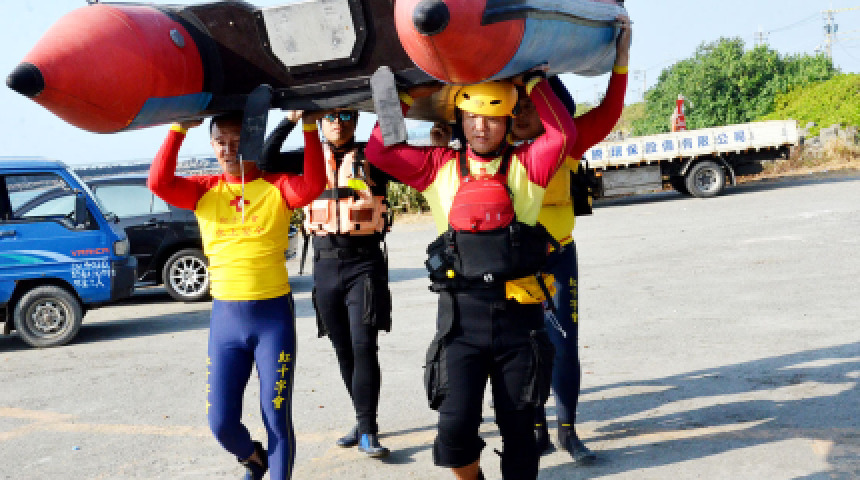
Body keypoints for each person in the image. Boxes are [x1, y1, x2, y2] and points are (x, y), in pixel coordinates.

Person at [364, 74, 576, 479]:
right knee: (453, 435)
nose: (481, 126)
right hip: (460, 326)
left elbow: (563, 133)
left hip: (519, 325)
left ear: (508, 119)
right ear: (459, 118)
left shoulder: (528, 164)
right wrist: (403, 96)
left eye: (492, 117)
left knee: (520, 434)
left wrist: (534, 82)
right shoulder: (438, 166)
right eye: (472, 116)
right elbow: (379, 150)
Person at [147, 111, 326, 480]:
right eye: (221, 141)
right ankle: (253, 458)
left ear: (253, 141)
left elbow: (312, 185)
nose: (228, 149)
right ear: (212, 145)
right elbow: (158, 182)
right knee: (221, 422)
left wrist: (309, 126)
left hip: (272, 318)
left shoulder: (277, 187)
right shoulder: (204, 191)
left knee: (275, 415)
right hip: (226, 320)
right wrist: (178, 128)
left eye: (237, 140)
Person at [510, 15, 631, 463]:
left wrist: (621, 59)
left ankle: (567, 431)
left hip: (558, 260)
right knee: (523, 351)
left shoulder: (569, 144)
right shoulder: (489, 149)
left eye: (531, 105)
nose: (520, 112)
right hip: (514, 267)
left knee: (563, 347)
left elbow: (611, 112)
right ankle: (537, 431)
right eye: (516, 105)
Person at [262, 108, 397, 458]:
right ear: (320, 121)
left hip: (364, 262)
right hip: (324, 264)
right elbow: (264, 160)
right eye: (331, 116)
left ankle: (368, 429)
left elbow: (404, 149)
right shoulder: (306, 158)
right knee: (343, 349)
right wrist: (291, 120)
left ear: (356, 120)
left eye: (346, 115)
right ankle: (361, 418)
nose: (338, 122)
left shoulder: (375, 156)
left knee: (364, 345)